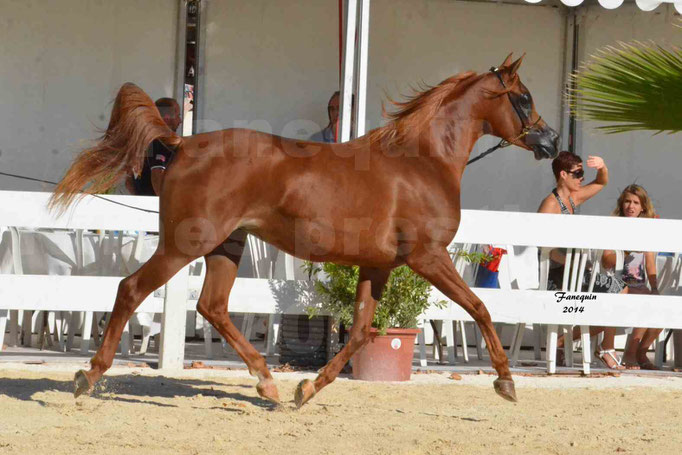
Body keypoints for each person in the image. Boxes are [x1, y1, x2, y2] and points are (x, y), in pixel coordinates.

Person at [538, 151, 627, 369]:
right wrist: (571, 263)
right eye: (577, 173)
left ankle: (578, 342)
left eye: (582, 173)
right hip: (556, 276)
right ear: (563, 175)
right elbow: (542, 247)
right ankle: (599, 347)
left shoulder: (572, 198)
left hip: (574, 273)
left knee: (620, 291)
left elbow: (602, 182)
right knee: (618, 291)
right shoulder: (551, 204)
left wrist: (602, 166)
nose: (581, 178)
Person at [606, 185, 660, 370]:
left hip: (638, 284)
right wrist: (626, 251)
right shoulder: (614, 226)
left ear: (643, 207)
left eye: (636, 203)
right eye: (628, 201)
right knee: (644, 299)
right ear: (622, 204)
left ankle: (640, 352)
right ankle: (630, 353)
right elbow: (606, 259)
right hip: (616, 284)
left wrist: (655, 288)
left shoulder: (646, 229)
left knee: (660, 306)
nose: (631, 206)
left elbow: (650, 262)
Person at [125, 97, 181, 196]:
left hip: (142, 204)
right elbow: (157, 174)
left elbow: (129, 180)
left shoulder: (141, 140)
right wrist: (163, 204)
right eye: (178, 115)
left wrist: (140, 200)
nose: (180, 121)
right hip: (156, 205)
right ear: (167, 117)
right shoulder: (161, 140)